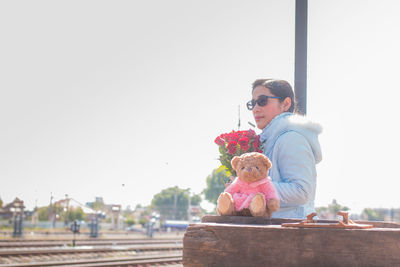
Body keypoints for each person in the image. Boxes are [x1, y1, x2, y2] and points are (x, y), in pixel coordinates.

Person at [247, 79, 322, 219]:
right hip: (279, 231)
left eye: (262, 101)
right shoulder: (272, 138)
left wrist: (251, 187)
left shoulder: (291, 138)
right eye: (252, 103)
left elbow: (302, 191)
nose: (256, 108)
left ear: (286, 104)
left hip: (292, 233)